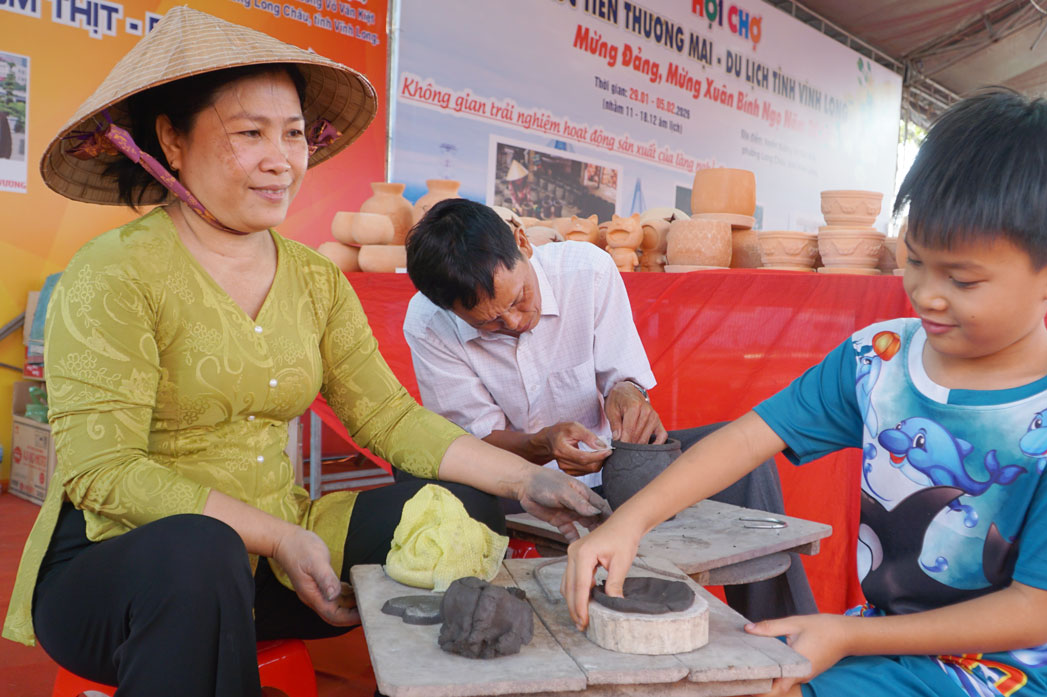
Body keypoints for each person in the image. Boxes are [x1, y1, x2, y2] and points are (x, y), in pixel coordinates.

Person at [2, 8, 605, 696]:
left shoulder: (316, 280)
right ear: (171, 139)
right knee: (203, 553)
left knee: (468, 504)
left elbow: (391, 419)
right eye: (249, 133)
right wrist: (273, 536)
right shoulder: (115, 272)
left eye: (292, 134)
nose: (279, 159)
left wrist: (522, 479)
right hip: (130, 574)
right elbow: (102, 473)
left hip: (286, 562)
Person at [563, 88, 1047, 697]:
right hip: (880, 637)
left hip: (1003, 672)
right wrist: (628, 523)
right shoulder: (879, 356)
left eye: (962, 279)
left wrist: (846, 635)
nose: (926, 294)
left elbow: (1040, 612)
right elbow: (749, 437)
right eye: (913, 261)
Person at [402, 198, 817, 621]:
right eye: (488, 323)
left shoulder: (587, 271)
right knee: (433, 491)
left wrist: (628, 394)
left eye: (519, 299)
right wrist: (540, 446)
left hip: (609, 474)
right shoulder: (428, 324)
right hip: (512, 492)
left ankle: (785, 635)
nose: (513, 322)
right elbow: (473, 444)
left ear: (523, 243)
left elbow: (625, 379)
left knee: (746, 461)